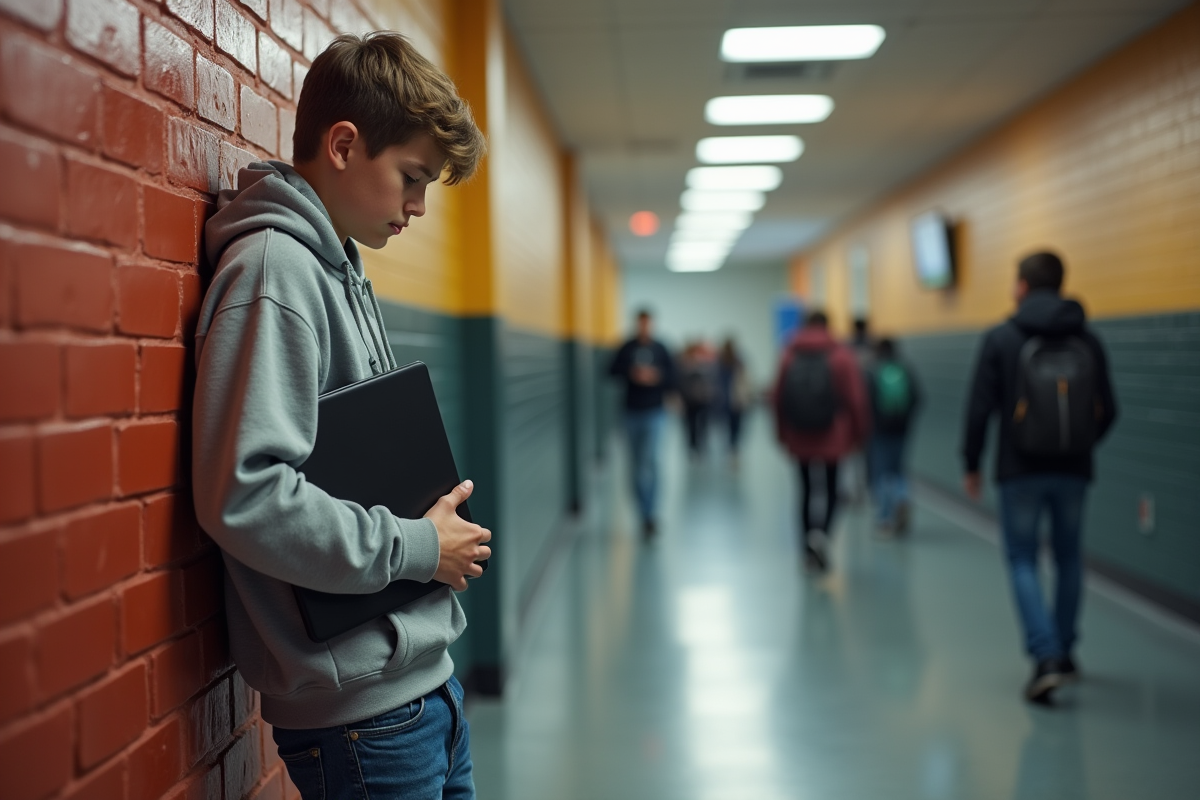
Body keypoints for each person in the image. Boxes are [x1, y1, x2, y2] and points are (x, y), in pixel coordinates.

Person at [192, 33, 490, 798]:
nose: (419, 207)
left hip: (421, 688)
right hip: (367, 719)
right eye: (412, 178)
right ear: (345, 144)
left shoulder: (340, 265)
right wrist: (419, 547)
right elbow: (246, 496)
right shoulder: (274, 271)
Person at [962, 251, 1117, 705]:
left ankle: (1045, 656)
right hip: (1074, 470)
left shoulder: (1001, 338)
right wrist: (1080, 445)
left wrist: (971, 463)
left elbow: (978, 409)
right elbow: (1110, 410)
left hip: (1019, 470)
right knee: (1069, 557)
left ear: (1022, 286)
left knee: (1023, 559)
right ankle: (1065, 651)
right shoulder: (1088, 340)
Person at [773, 312, 870, 571]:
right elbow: (856, 399)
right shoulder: (840, 356)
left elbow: (778, 398)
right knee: (832, 489)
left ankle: (806, 547)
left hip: (798, 435)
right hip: (834, 435)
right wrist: (860, 435)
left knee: (804, 491)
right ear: (828, 326)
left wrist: (781, 434)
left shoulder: (788, 355)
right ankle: (822, 536)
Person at [609, 310, 676, 538]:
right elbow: (610, 371)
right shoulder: (627, 348)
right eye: (641, 324)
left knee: (652, 461)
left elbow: (674, 377)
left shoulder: (661, 349)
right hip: (631, 413)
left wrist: (656, 377)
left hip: (655, 412)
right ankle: (641, 511)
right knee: (636, 466)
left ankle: (651, 514)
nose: (645, 328)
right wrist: (632, 373)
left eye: (648, 324)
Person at [867, 338, 922, 534]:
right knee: (899, 469)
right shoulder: (904, 369)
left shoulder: (873, 371)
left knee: (881, 473)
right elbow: (917, 398)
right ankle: (902, 498)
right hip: (902, 429)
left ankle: (885, 519)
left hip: (879, 431)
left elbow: (866, 402)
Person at [678, 340, 717, 457]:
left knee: (704, 424)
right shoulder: (687, 362)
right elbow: (682, 378)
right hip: (690, 399)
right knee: (691, 425)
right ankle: (692, 447)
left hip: (704, 398)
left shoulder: (708, 362)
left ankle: (702, 446)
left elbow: (712, 378)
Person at [717, 338, 752, 462]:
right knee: (734, 427)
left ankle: (732, 449)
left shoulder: (732, 363)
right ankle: (733, 449)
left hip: (731, 400)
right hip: (732, 400)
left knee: (731, 427)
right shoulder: (722, 362)